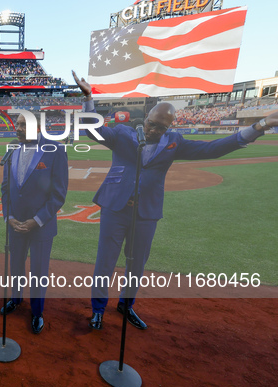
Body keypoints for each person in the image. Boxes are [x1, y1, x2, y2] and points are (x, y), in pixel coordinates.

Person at [72, 71, 278, 330]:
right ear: (145, 119)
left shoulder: (175, 142)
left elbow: (212, 149)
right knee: (105, 262)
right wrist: (88, 98)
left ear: (169, 127)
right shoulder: (124, 134)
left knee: (137, 265)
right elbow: (94, 131)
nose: (153, 130)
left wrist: (259, 127)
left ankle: (126, 305)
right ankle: (98, 310)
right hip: (116, 208)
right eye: (151, 124)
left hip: (146, 213)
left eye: (160, 127)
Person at [0, 113, 69, 334]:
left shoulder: (55, 150)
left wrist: (36, 220)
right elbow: (5, 189)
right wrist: (9, 217)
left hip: (41, 225)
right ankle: (16, 299)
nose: (17, 128)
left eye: (22, 125)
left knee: (39, 271)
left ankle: (37, 311)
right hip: (15, 224)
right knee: (16, 265)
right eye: (17, 124)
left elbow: (59, 194)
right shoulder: (12, 151)